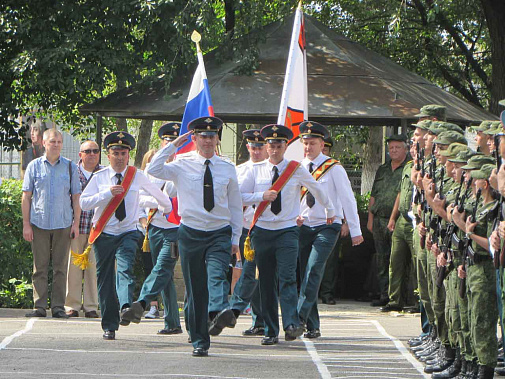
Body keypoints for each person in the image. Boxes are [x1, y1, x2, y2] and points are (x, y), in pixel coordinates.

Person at [147, 117, 243, 357]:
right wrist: (172, 146)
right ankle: (200, 340)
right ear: (195, 139)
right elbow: (153, 169)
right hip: (190, 232)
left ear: (217, 139)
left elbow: (235, 204)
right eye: (203, 136)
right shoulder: (181, 162)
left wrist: (235, 238)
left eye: (212, 136)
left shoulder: (227, 166)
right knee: (196, 288)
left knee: (217, 272)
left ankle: (219, 310)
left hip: (219, 231)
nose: (208, 141)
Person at [239, 124, 336, 346]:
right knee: (266, 282)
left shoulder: (295, 168)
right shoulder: (255, 169)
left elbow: (316, 187)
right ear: (266, 146)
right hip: (262, 230)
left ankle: (291, 323)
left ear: (285, 146)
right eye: (271, 145)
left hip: (287, 231)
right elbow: (241, 196)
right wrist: (260, 195)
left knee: (288, 277)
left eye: (279, 145)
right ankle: (270, 330)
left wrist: (330, 210)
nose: (274, 149)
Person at [80, 131, 172, 341]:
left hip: (128, 232)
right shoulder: (99, 177)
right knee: (104, 279)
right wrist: (106, 194)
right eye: (115, 153)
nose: (120, 157)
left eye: (123, 153)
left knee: (125, 268)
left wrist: (166, 209)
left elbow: (159, 195)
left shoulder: (137, 175)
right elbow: (84, 203)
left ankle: (125, 307)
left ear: (128, 155)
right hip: (104, 233)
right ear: (108, 155)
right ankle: (109, 325)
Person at [297, 121, 363, 338]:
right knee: (305, 274)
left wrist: (355, 230)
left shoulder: (334, 167)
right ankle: (312, 325)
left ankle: (298, 317)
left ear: (322, 143)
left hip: (327, 226)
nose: (308, 148)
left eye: (312, 143)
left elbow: (348, 199)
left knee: (314, 269)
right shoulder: (296, 167)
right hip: (303, 226)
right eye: (305, 143)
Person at [120, 123, 183, 335]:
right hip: (155, 228)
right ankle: (172, 321)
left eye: (174, 142)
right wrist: (159, 201)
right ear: (163, 144)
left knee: (162, 268)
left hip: (175, 229)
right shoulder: (151, 171)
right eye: (167, 142)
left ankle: (142, 302)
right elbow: (139, 197)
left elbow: (178, 200)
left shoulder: (182, 169)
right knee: (164, 276)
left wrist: (159, 200)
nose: (170, 147)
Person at [22, 128, 81, 318]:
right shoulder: (34, 166)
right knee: (39, 267)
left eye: (59, 142)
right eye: (52, 141)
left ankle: (57, 307)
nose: (56, 145)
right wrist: (26, 224)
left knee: (60, 268)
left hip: (63, 224)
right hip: (39, 223)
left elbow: (76, 198)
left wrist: (76, 224)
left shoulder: (71, 167)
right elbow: (26, 197)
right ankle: (39, 306)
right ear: (44, 143)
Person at [214, 129, 268, 337]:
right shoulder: (239, 170)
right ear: (247, 147)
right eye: (253, 147)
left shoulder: (270, 170)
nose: (256, 151)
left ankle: (236, 308)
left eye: (260, 147)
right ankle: (259, 320)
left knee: (252, 272)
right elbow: (233, 199)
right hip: (243, 226)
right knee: (250, 272)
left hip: (262, 225)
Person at [368, 134, 410, 307]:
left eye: (397, 147)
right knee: (381, 258)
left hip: (397, 221)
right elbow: (373, 194)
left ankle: (398, 296)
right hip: (379, 219)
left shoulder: (408, 168)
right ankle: (384, 294)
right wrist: (370, 218)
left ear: (405, 149)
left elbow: (401, 195)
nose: (393, 150)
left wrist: (393, 218)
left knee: (397, 260)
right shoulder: (383, 169)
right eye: (391, 148)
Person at [65, 140, 102, 318]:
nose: (92, 154)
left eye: (95, 151)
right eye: (88, 151)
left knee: (93, 269)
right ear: (80, 154)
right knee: (73, 268)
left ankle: (91, 306)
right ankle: (71, 305)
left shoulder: (104, 173)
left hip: (97, 228)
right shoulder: (72, 172)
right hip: (76, 227)